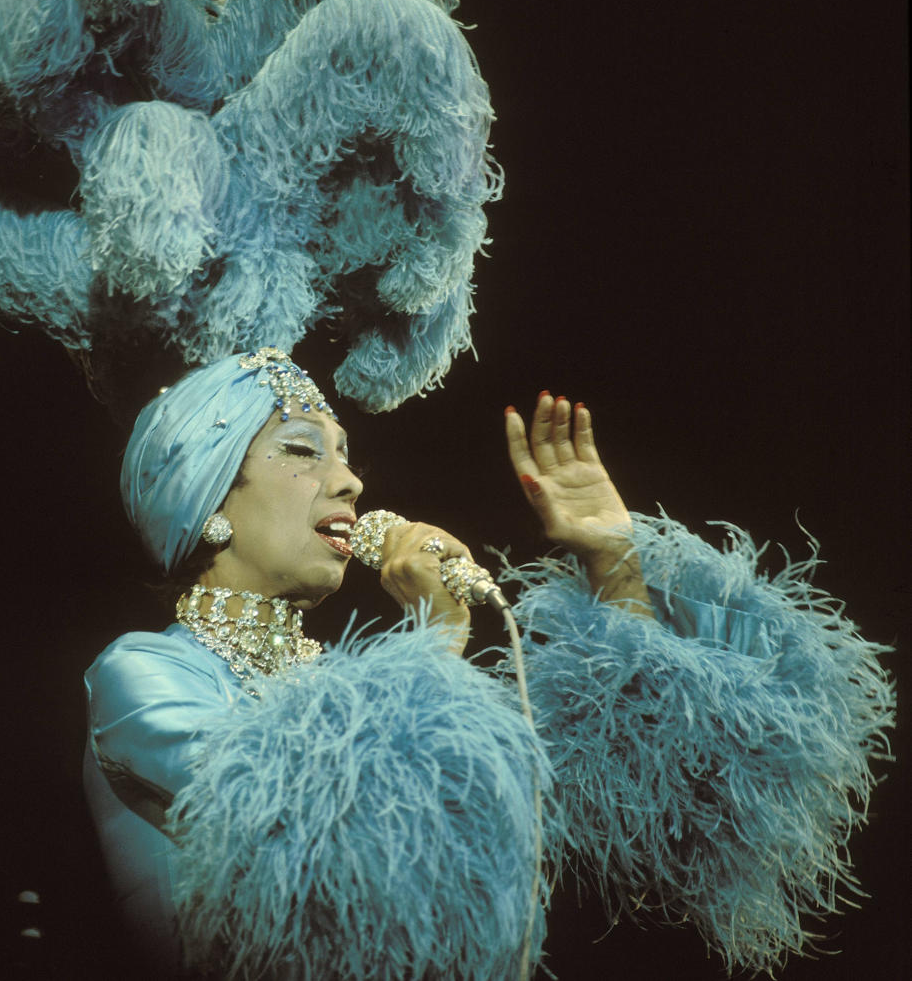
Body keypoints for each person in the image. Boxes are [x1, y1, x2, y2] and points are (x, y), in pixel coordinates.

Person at [85, 348, 893, 981]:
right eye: (303, 450)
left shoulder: (358, 693)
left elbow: (636, 825)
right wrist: (435, 628)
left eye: (345, 453)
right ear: (208, 498)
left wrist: (614, 562)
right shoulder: (142, 676)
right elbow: (340, 857)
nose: (350, 478)